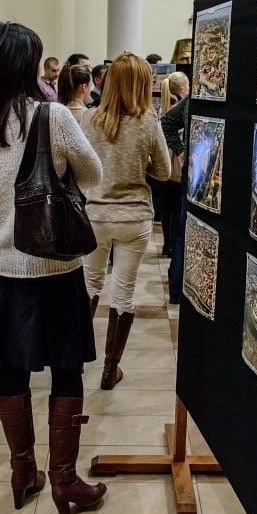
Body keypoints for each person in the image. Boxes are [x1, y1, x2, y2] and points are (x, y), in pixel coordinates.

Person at [0, 21, 106, 514]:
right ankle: (65, 480)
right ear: (29, 65)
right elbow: (93, 175)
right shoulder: (52, 117)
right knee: (67, 368)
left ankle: (22, 471)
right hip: (52, 263)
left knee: (12, 369)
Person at [80, 52, 171, 390]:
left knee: (89, 285)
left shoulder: (88, 119)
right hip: (134, 217)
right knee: (124, 293)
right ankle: (109, 369)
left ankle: (75, 361)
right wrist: (135, 168)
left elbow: (77, 168)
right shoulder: (148, 120)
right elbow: (163, 171)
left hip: (95, 214)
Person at [158, 72, 189, 257]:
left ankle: (167, 244)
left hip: (169, 161)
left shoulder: (164, 104)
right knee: (176, 207)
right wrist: (181, 150)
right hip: (177, 163)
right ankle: (172, 244)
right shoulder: (182, 104)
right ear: (184, 87)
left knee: (168, 206)